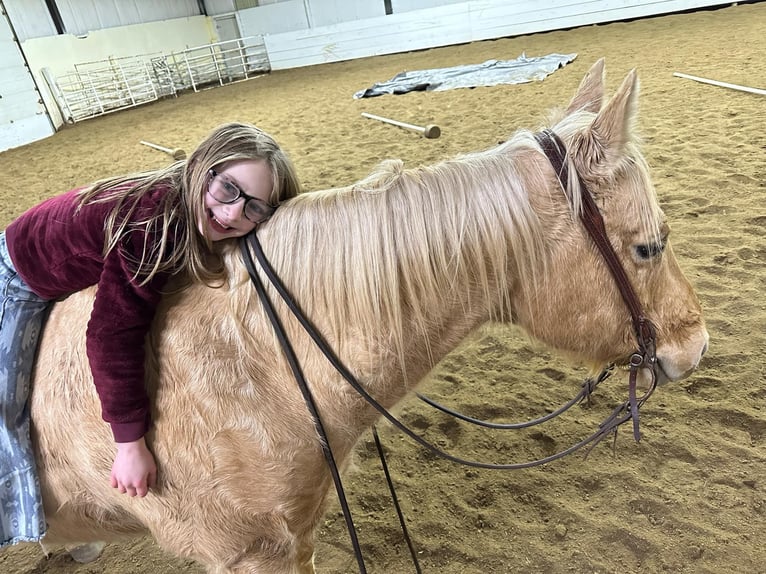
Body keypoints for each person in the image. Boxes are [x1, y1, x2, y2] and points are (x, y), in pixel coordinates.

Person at [0, 122, 301, 549]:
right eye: (229, 189)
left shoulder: (192, 207)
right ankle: (21, 516)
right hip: (16, 273)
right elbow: (111, 333)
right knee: (3, 402)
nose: (234, 213)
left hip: (59, 252)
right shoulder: (153, 225)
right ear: (201, 169)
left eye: (256, 209)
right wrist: (128, 445)